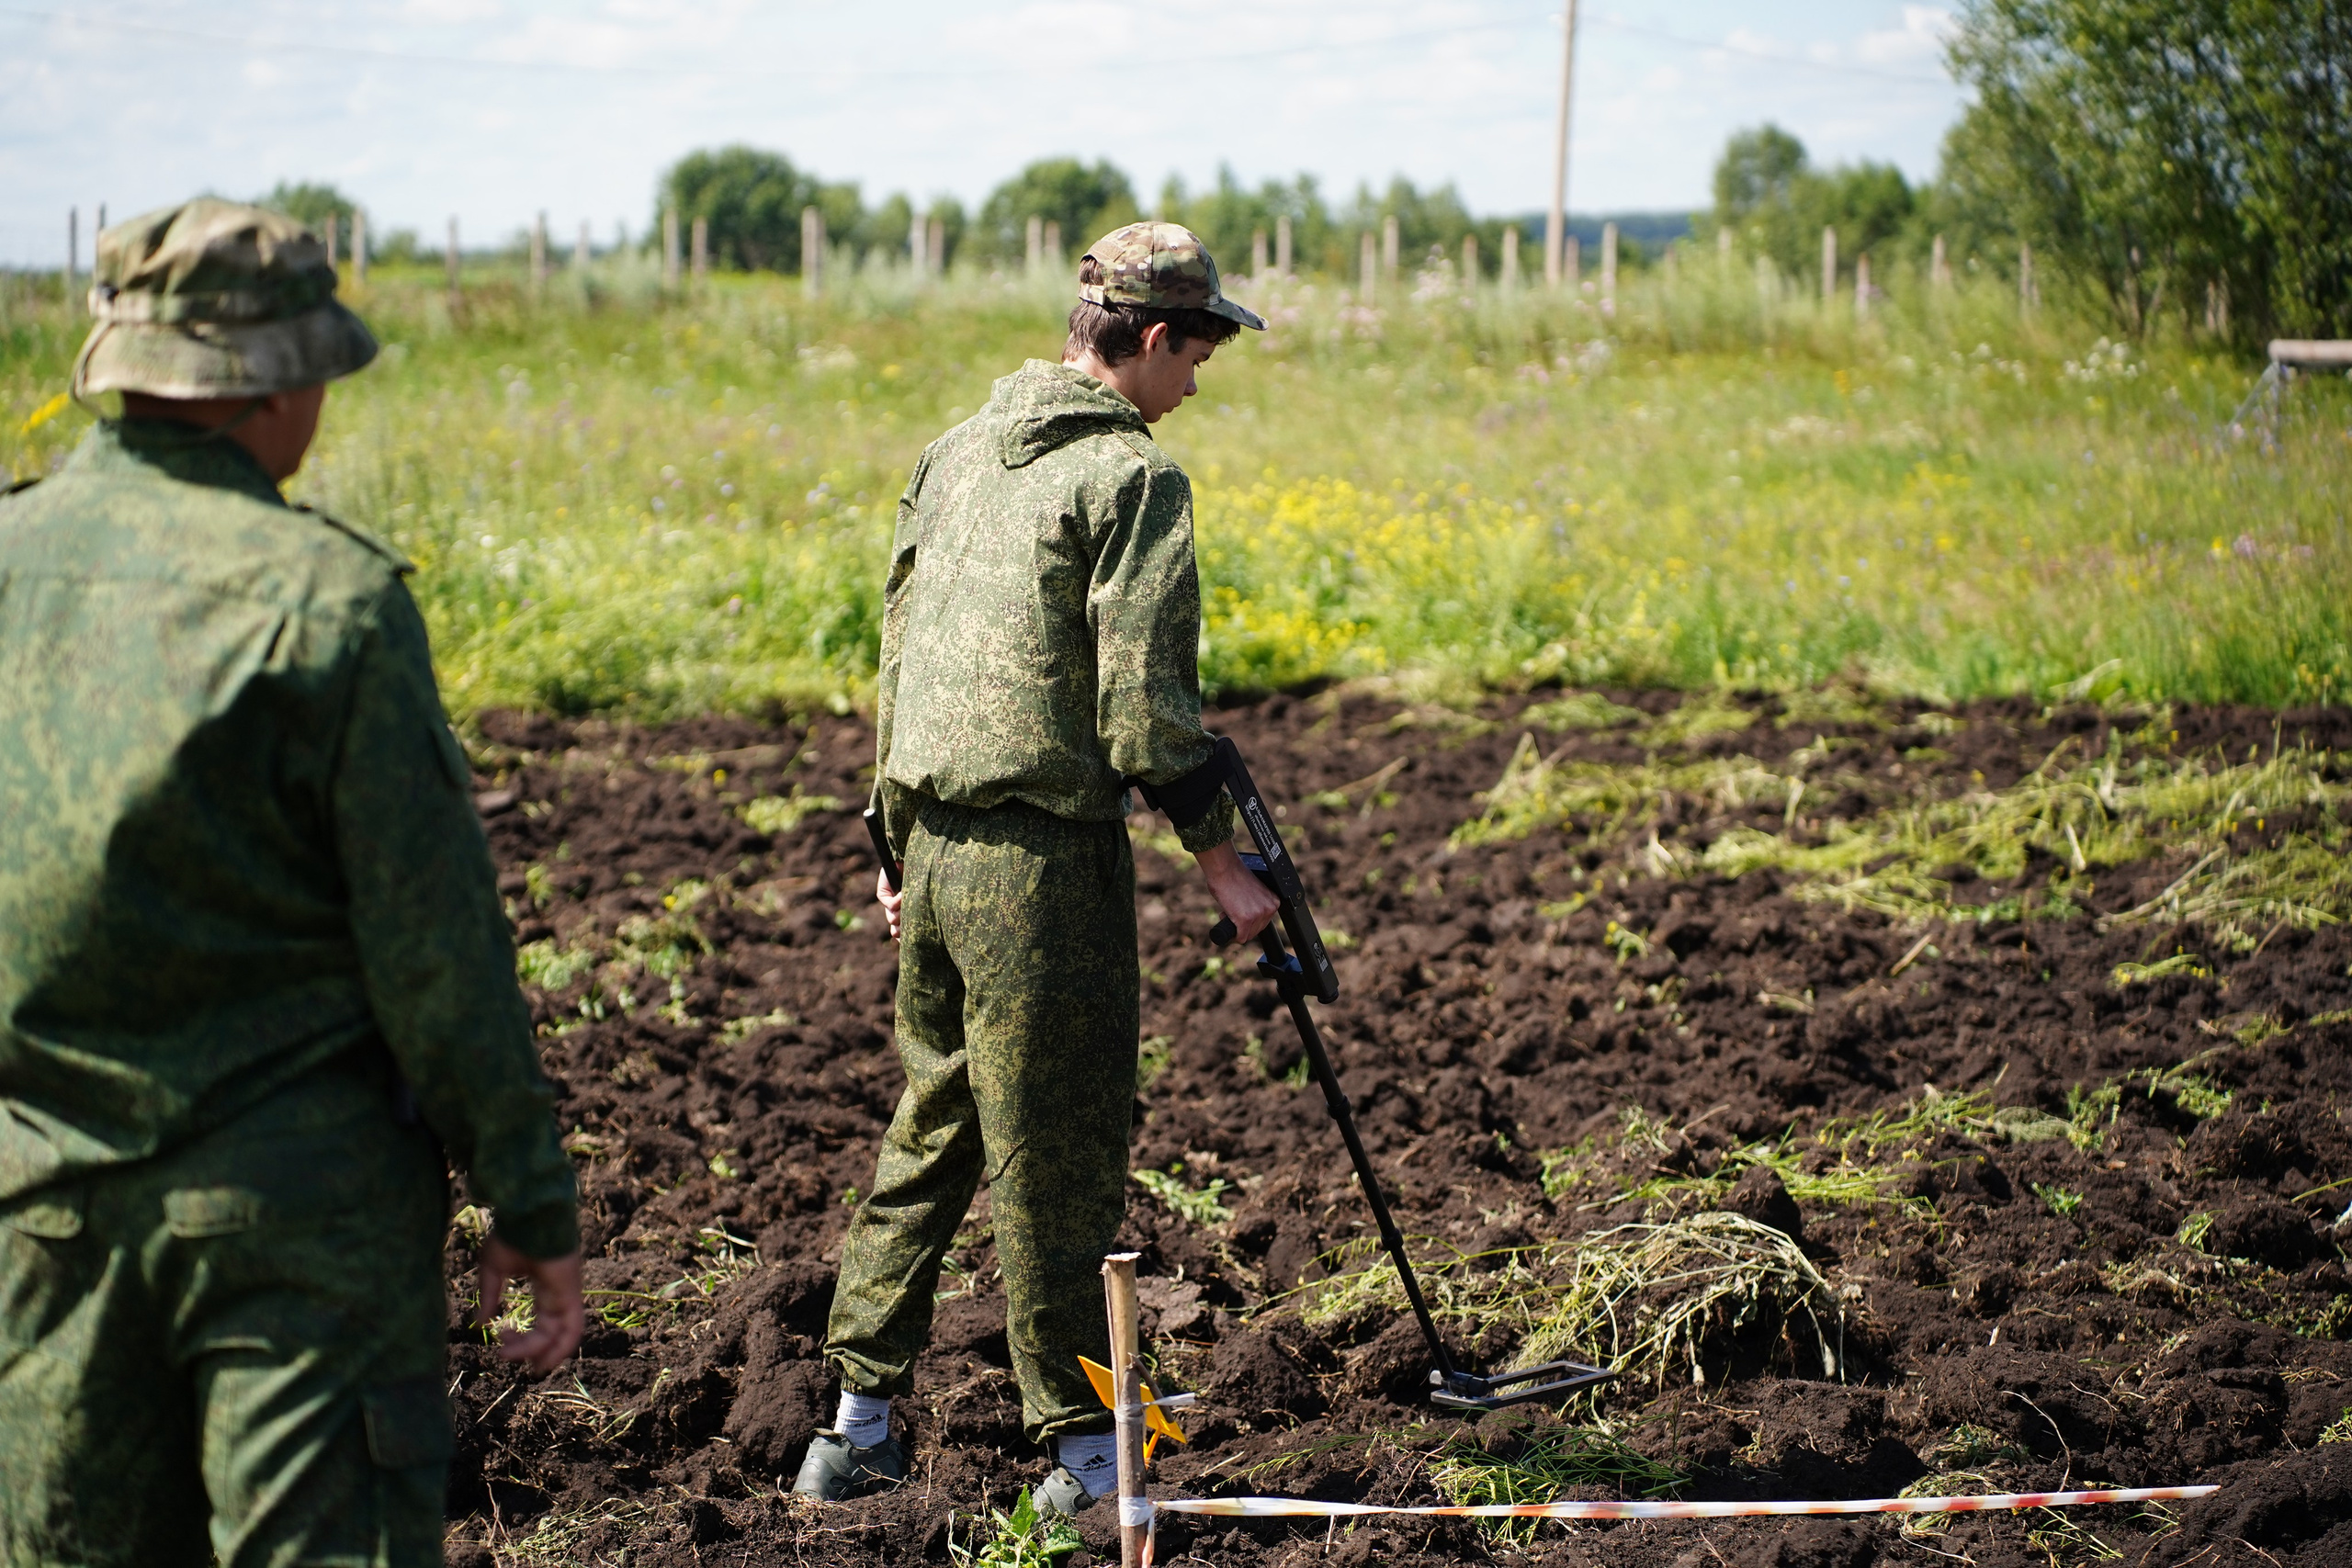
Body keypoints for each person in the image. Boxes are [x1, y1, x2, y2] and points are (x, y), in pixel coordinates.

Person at [0, 198, 582, 1565]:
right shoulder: (329, 602)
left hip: (42, 1223)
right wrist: (529, 1196)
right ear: (274, 387)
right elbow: (437, 953)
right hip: (296, 1239)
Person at [792, 222, 1283, 1515]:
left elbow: (899, 658)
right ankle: (1080, 1448)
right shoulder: (1131, 481)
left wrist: (892, 840)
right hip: (1042, 862)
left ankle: (852, 1429)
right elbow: (1144, 716)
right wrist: (1226, 866)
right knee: (1057, 1148)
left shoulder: (954, 455)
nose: (1201, 384)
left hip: (935, 846)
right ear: (1156, 338)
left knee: (935, 1125)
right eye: (1203, 352)